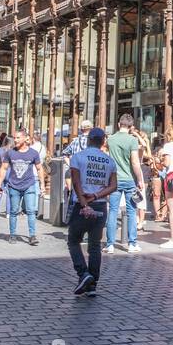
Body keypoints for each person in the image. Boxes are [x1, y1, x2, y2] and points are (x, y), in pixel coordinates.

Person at [67, 127, 117, 297]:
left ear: (88, 140)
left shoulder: (78, 157)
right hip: (100, 204)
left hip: (81, 204)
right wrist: (96, 196)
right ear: (103, 141)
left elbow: (76, 183)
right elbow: (113, 186)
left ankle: (84, 274)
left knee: (73, 241)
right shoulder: (109, 161)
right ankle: (93, 284)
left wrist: (84, 203)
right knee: (95, 245)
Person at [105, 114, 145, 254]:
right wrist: (140, 179)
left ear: (118, 124)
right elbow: (135, 162)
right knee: (131, 211)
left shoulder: (110, 139)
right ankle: (132, 243)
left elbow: (109, 159)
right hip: (129, 180)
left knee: (113, 211)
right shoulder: (132, 140)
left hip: (114, 180)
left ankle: (110, 244)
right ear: (131, 126)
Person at [0, 128, 44, 246]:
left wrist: (42, 184)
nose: (15, 140)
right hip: (14, 186)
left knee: (31, 211)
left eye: (18, 138)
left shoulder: (33, 153)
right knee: (13, 211)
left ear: (25, 138)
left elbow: (39, 168)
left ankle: (32, 236)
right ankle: (13, 235)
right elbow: (3, 168)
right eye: (14, 138)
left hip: (29, 185)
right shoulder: (10, 153)